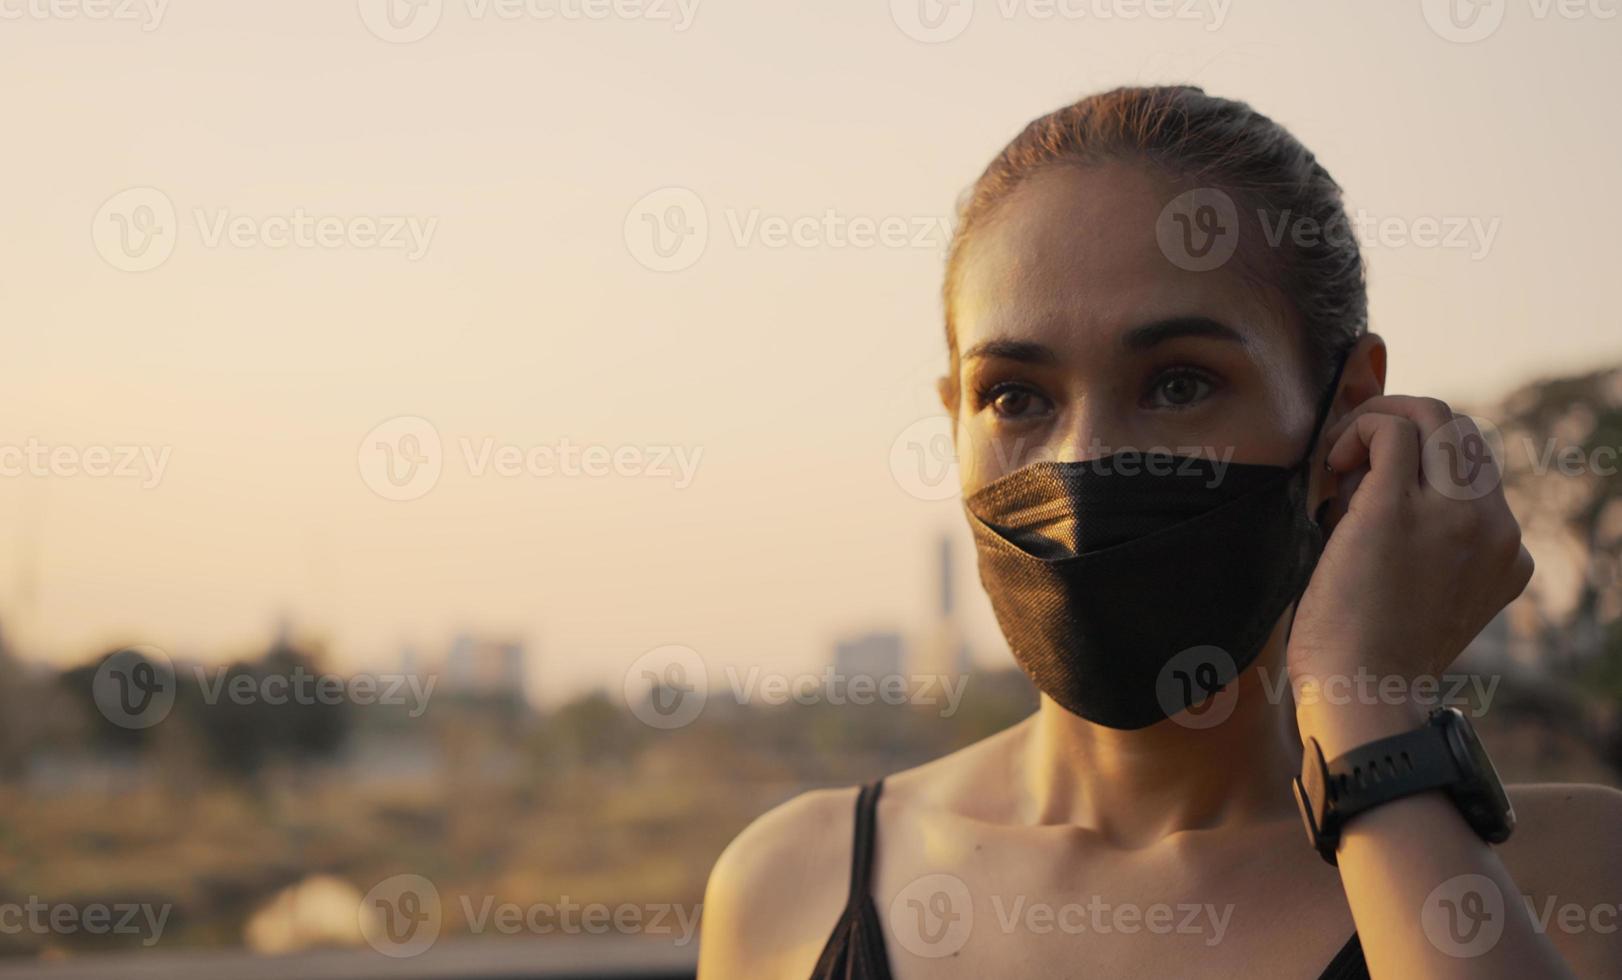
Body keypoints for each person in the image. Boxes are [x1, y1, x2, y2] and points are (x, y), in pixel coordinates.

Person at [698, 86, 1619, 978]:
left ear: (1345, 407)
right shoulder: (794, 884)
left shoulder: (1570, 876)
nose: (1089, 456)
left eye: (1179, 384)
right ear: (954, 425)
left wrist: (1365, 709)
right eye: (1015, 396)